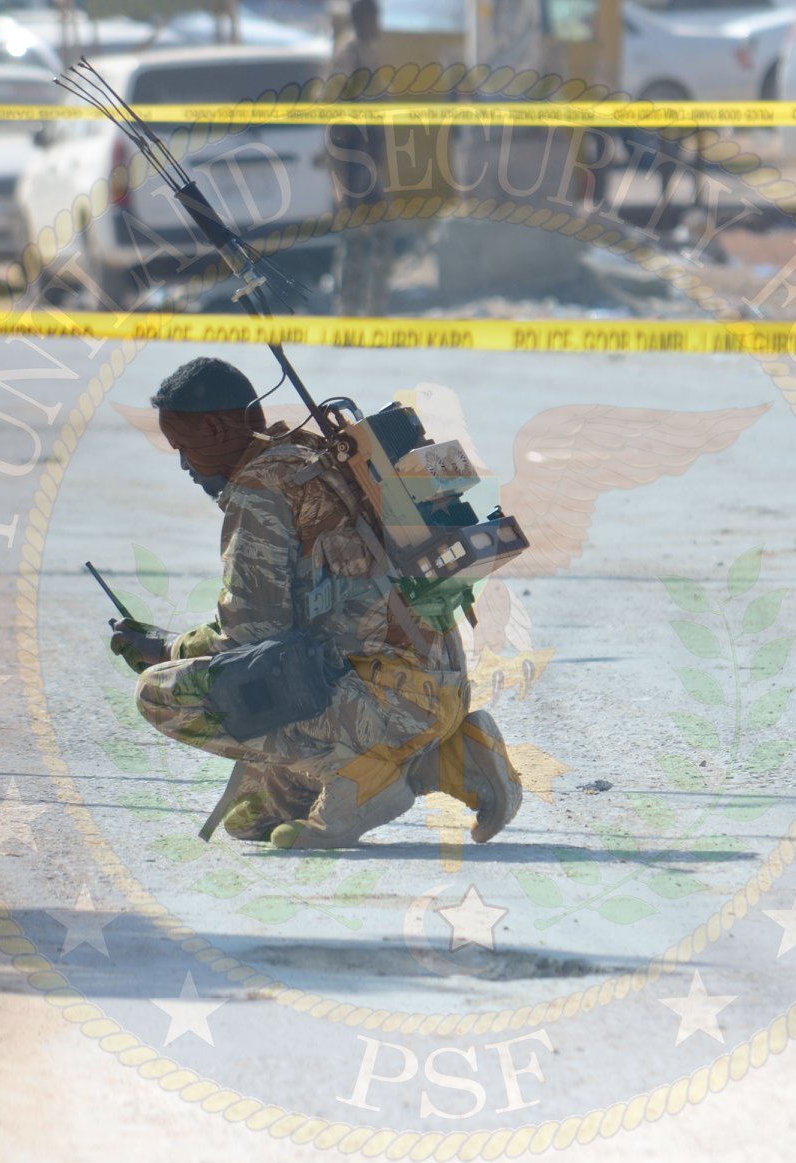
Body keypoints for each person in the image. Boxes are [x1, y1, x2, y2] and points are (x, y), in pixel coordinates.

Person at [110, 356, 522, 850]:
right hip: (438, 691)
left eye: (183, 447)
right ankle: (456, 754)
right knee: (252, 820)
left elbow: (253, 638)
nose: (184, 465)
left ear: (215, 428)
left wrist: (168, 651)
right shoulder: (320, 456)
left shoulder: (261, 491)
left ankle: (363, 776)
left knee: (158, 693)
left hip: (380, 703)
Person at [320, 0, 394, 317]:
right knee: (359, 239)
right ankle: (351, 312)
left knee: (373, 238)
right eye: (375, 18)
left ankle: (369, 311)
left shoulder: (366, 53)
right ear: (364, 19)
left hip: (368, 161)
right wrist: (341, 168)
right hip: (354, 163)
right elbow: (333, 109)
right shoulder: (350, 55)